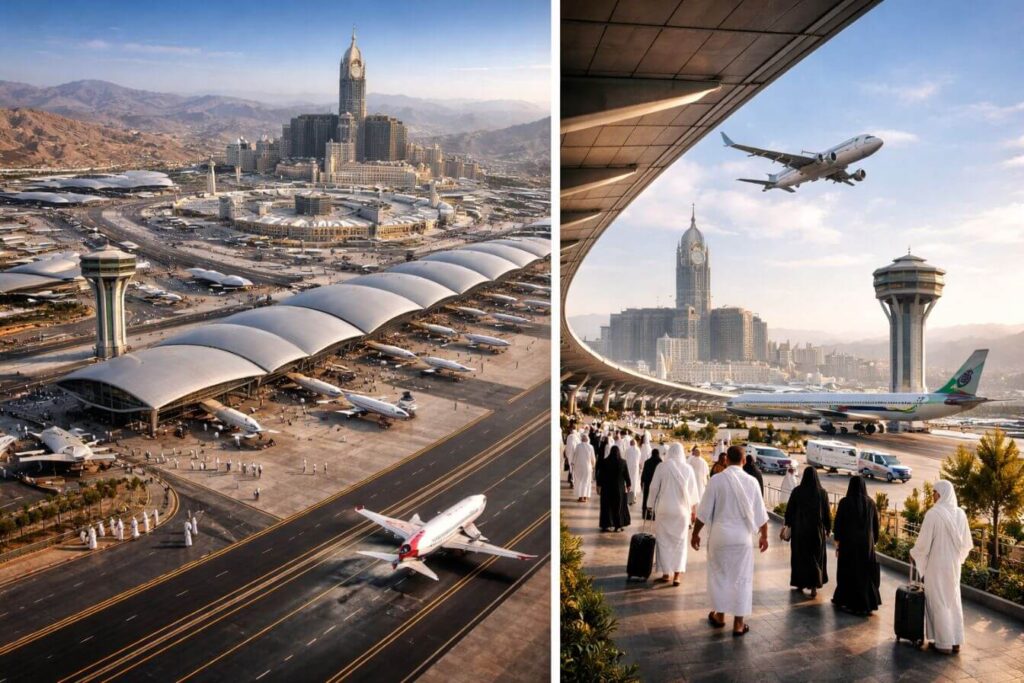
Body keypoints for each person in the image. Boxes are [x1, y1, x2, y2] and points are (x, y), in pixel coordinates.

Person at [690, 446, 769, 637]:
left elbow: (703, 512)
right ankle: (738, 624)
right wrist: (764, 536)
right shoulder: (752, 482)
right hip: (742, 539)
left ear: (726, 460)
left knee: (720, 577)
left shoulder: (716, 480)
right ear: (744, 461)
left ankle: (720, 616)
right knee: (742, 579)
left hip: (720, 538)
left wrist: (695, 534)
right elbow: (761, 514)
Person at [909, 480, 974, 654]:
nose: (933, 496)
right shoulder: (961, 514)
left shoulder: (933, 514)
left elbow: (923, 544)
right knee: (953, 600)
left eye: (934, 492)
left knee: (938, 601)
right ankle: (955, 641)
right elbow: (967, 544)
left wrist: (913, 553)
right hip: (953, 566)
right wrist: (957, 558)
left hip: (936, 566)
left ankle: (943, 643)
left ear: (942, 493)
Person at [648, 443, 699, 586]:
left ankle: (666, 574)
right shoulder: (688, 469)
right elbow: (693, 493)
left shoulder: (661, 467)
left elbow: (653, 487)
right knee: (680, 542)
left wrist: (650, 505)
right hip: (681, 511)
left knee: (663, 541)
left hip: (663, 509)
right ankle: (677, 575)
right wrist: (693, 511)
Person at [832, 476, 881, 616]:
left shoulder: (844, 502)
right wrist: (873, 543)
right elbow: (875, 527)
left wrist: (838, 544)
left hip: (848, 545)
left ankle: (847, 601)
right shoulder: (871, 503)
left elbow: (838, 525)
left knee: (848, 572)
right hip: (866, 545)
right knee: (864, 574)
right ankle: (865, 603)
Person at [784, 467, 832, 597]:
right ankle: (814, 586)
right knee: (815, 557)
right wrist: (828, 528)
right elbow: (827, 513)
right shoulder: (822, 493)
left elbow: (789, 510)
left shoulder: (797, 491)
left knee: (800, 557)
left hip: (799, 531)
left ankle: (800, 583)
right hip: (816, 532)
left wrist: (788, 523)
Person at [596, 445, 631, 532]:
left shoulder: (605, 462)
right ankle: (618, 525)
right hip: (619, 488)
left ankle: (606, 525)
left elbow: (600, 475)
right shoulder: (623, 462)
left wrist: (598, 486)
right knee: (618, 506)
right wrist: (628, 485)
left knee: (606, 506)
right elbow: (626, 475)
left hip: (606, 488)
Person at [571, 436, 596, 502]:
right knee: (586, 482)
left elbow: (575, 456)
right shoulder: (590, 447)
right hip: (587, 467)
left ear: (581, 439)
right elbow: (593, 458)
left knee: (579, 482)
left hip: (578, 467)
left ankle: (580, 497)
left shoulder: (578, 446)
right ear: (588, 440)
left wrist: (573, 463)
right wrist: (593, 465)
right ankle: (585, 497)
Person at [640, 447, 662, 519]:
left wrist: (641, 482)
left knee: (646, 498)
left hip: (647, 483)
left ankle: (645, 514)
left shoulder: (647, 462)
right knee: (656, 498)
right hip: (657, 484)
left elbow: (644, 473)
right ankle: (654, 515)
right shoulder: (660, 462)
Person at [623, 438, 642, 507]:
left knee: (628, 482)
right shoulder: (638, 450)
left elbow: (624, 458)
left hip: (628, 468)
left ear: (630, 443)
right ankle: (633, 497)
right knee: (634, 482)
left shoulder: (627, 450)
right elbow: (640, 460)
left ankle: (629, 498)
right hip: (635, 469)